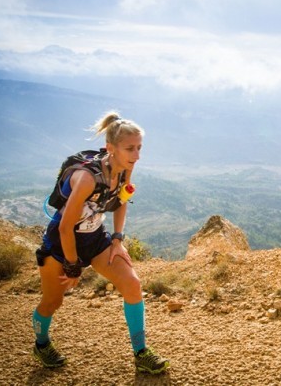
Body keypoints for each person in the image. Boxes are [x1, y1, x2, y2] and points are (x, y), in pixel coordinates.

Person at [31, 111, 169, 374]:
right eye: (130, 148)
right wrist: (72, 267)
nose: (137, 155)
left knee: (132, 284)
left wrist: (117, 238)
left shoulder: (126, 167)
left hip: (95, 239)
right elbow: (64, 227)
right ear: (110, 148)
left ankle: (141, 353)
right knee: (52, 302)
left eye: (139, 147)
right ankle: (41, 344)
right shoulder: (86, 179)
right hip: (61, 245)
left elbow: (122, 199)